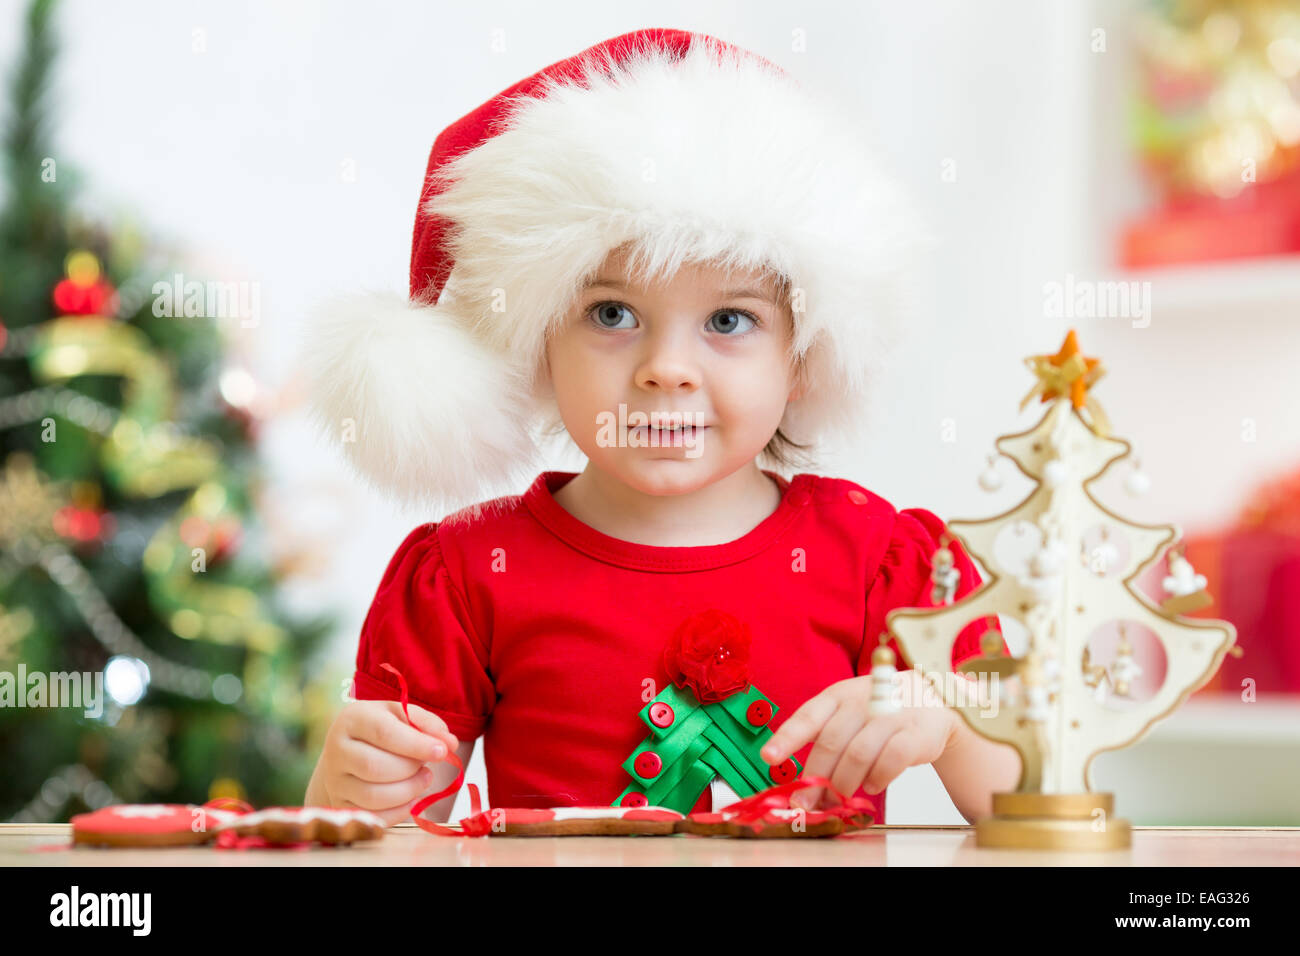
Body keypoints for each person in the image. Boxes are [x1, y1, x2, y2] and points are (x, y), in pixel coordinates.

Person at [302, 28, 1018, 827]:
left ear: (805, 354)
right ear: (535, 339)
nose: (666, 369)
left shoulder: (883, 564)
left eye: (729, 319)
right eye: (613, 313)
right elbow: (389, 836)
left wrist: (944, 711)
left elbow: (1030, 809)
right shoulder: (465, 579)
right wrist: (346, 794)